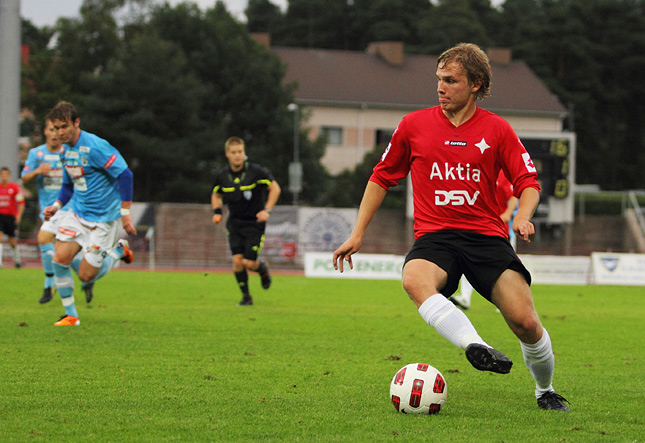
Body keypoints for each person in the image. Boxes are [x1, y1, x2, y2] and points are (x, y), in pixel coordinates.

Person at [332, 43, 570, 411]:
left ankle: (545, 390)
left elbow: (528, 182)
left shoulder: (497, 129)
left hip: (486, 237)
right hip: (436, 235)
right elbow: (381, 178)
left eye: (451, 80)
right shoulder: (413, 125)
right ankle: (475, 345)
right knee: (414, 279)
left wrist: (523, 216)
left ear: (475, 84)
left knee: (526, 323)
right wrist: (357, 231)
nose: (440, 87)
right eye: (438, 79)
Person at [42, 101, 137, 326]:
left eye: (64, 126)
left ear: (76, 123)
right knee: (59, 258)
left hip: (105, 219)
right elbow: (68, 185)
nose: (60, 132)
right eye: (56, 128)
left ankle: (117, 252)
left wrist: (125, 213)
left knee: (86, 276)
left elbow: (125, 175)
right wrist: (56, 206)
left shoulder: (96, 146)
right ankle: (71, 316)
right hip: (78, 214)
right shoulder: (64, 150)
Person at [21, 118, 96, 304]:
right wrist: (39, 171)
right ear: (45, 132)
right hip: (49, 209)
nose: (55, 133)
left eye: (58, 129)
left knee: (44, 238)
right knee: (64, 255)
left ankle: (49, 285)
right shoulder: (36, 153)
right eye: (51, 129)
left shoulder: (69, 151)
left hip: (70, 207)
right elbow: (24, 179)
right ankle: (88, 279)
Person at [211, 136, 281, 306]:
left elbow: (275, 188)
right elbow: (216, 193)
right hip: (234, 223)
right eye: (234, 152)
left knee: (249, 263)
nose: (237, 155)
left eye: (240, 152)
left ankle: (262, 269)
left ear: (244, 152)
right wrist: (217, 212)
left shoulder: (256, 172)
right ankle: (246, 297)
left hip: (254, 224)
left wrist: (267, 211)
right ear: (228, 154)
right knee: (237, 261)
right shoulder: (222, 176)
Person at [451, 170, 518, 310]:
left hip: (499, 230)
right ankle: (465, 297)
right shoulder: (475, 171)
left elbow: (513, 197)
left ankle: (505, 301)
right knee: (467, 262)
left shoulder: (503, 175)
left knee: (503, 268)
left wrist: (507, 213)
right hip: (477, 227)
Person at [0, 167, 25, 268]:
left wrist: (18, 215)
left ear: (9, 175)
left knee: (12, 240)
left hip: (10, 217)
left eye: (6, 174)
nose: (4, 176)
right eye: (2, 174)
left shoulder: (15, 188)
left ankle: (17, 260)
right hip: (0, 215)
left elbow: (21, 202)